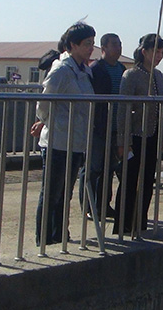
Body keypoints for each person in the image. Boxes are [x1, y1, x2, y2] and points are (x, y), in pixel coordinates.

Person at [33, 22, 96, 246]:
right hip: (58, 140)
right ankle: (44, 240)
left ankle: (60, 236)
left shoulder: (83, 70)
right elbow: (44, 103)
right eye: (86, 44)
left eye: (92, 43)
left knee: (65, 194)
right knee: (51, 193)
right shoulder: (61, 70)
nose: (91, 48)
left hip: (76, 140)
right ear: (72, 45)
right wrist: (47, 122)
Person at [114, 34, 163, 235]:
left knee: (146, 182)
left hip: (152, 135)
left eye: (161, 52)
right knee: (130, 182)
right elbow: (123, 110)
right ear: (144, 51)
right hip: (135, 136)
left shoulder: (159, 76)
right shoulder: (131, 75)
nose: (159, 56)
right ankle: (124, 226)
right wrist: (123, 140)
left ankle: (140, 224)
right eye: (155, 51)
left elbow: (162, 108)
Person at [82, 33, 124, 221]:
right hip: (98, 126)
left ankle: (104, 205)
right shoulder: (96, 69)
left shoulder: (122, 69)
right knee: (93, 168)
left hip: (116, 127)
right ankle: (89, 206)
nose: (118, 48)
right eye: (114, 44)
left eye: (119, 44)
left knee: (109, 168)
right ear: (104, 48)